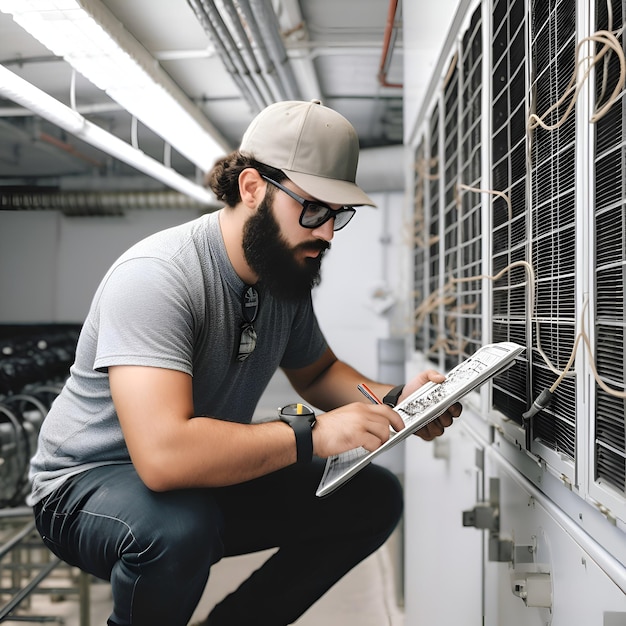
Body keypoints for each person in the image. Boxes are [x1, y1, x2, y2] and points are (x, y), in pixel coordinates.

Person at [28, 99, 461, 626]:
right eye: (314, 208)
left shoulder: (283, 278)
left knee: (371, 498)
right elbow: (164, 458)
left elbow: (319, 373)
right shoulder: (158, 277)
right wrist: (313, 434)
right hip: (86, 486)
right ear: (253, 187)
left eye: (337, 215)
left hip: (194, 482)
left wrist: (394, 403)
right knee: (178, 527)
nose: (326, 232)